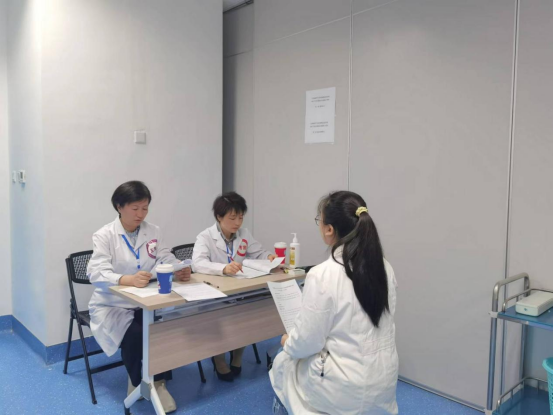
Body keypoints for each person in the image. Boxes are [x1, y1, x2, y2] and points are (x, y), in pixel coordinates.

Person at [270, 191, 399, 414]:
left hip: (343, 389)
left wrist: (288, 342)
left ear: (329, 229)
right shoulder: (385, 268)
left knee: (282, 362)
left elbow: (307, 342)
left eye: (319, 221)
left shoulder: (323, 274)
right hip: (384, 381)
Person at [87, 181, 190, 413]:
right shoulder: (104, 235)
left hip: (148, 299)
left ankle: (159, 384)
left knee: (160, 330)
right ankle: (138, 382)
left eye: (145, 208)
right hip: (114, 303)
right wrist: (126, 279)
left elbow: (164, 257)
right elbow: (96, 272)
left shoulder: (153, 231)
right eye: (135, 208)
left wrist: (177, 268)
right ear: (119, 206)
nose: (140, 214)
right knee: (134, 334)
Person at [192, 191, 277, 381]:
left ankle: (238, 354)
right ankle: (219, 358)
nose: (237, 222)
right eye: (232, 218)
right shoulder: (205, 237)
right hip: (215, 294)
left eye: (240, 217)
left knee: (246, 315)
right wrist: (223, 268)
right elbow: (197, 263)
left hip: (240, 291)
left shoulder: (244, 234)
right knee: (219, 319)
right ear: (219, 217)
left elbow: (258, 252)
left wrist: (269, 257)